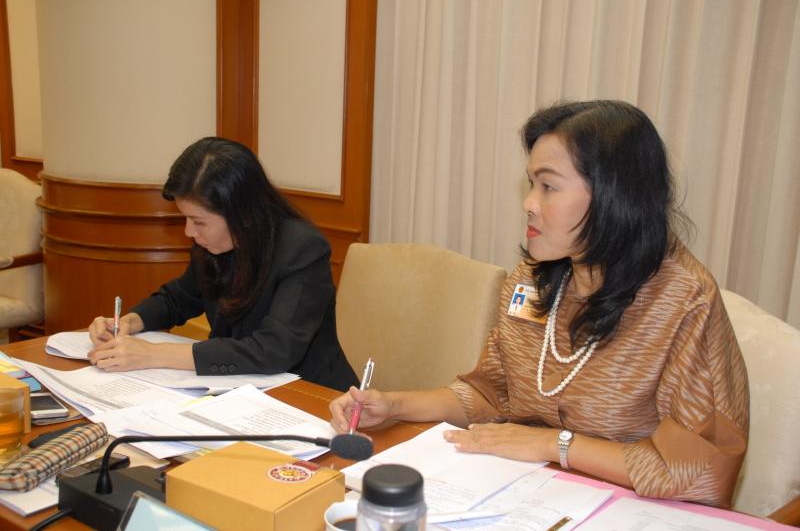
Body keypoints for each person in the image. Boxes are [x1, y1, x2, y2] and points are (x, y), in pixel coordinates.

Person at [330, 101, 749, 507]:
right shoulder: (533, 279)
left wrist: (554, 444)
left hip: (629, 510)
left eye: (548, 187)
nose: (529, 203)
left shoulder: (683, 301)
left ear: (612, 194)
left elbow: (701, 470)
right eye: (532, 184)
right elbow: (491, 394)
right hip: (529, 494)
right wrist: (394, 405)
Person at [88, 137, 359, 392]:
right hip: (238, 389)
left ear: (242, 214)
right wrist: (129, 322)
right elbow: (177, 299)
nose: (189, 232)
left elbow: (274, 349)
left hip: (308, 395)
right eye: (186, 218)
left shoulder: (302, 249)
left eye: (199, 221)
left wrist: (153, 354)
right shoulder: (214, 244)